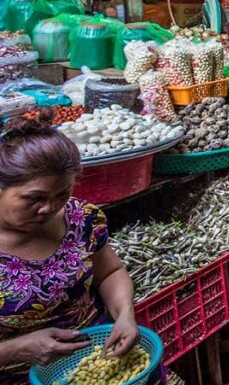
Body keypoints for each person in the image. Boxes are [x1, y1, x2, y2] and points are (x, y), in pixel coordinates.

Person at [0, 112, 139, 381]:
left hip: (97, 355)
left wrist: (124, 314)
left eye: (62, 194)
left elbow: (109, 272)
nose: (49, 209)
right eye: (34, 198)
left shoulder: (79, 218)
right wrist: (15, 350)